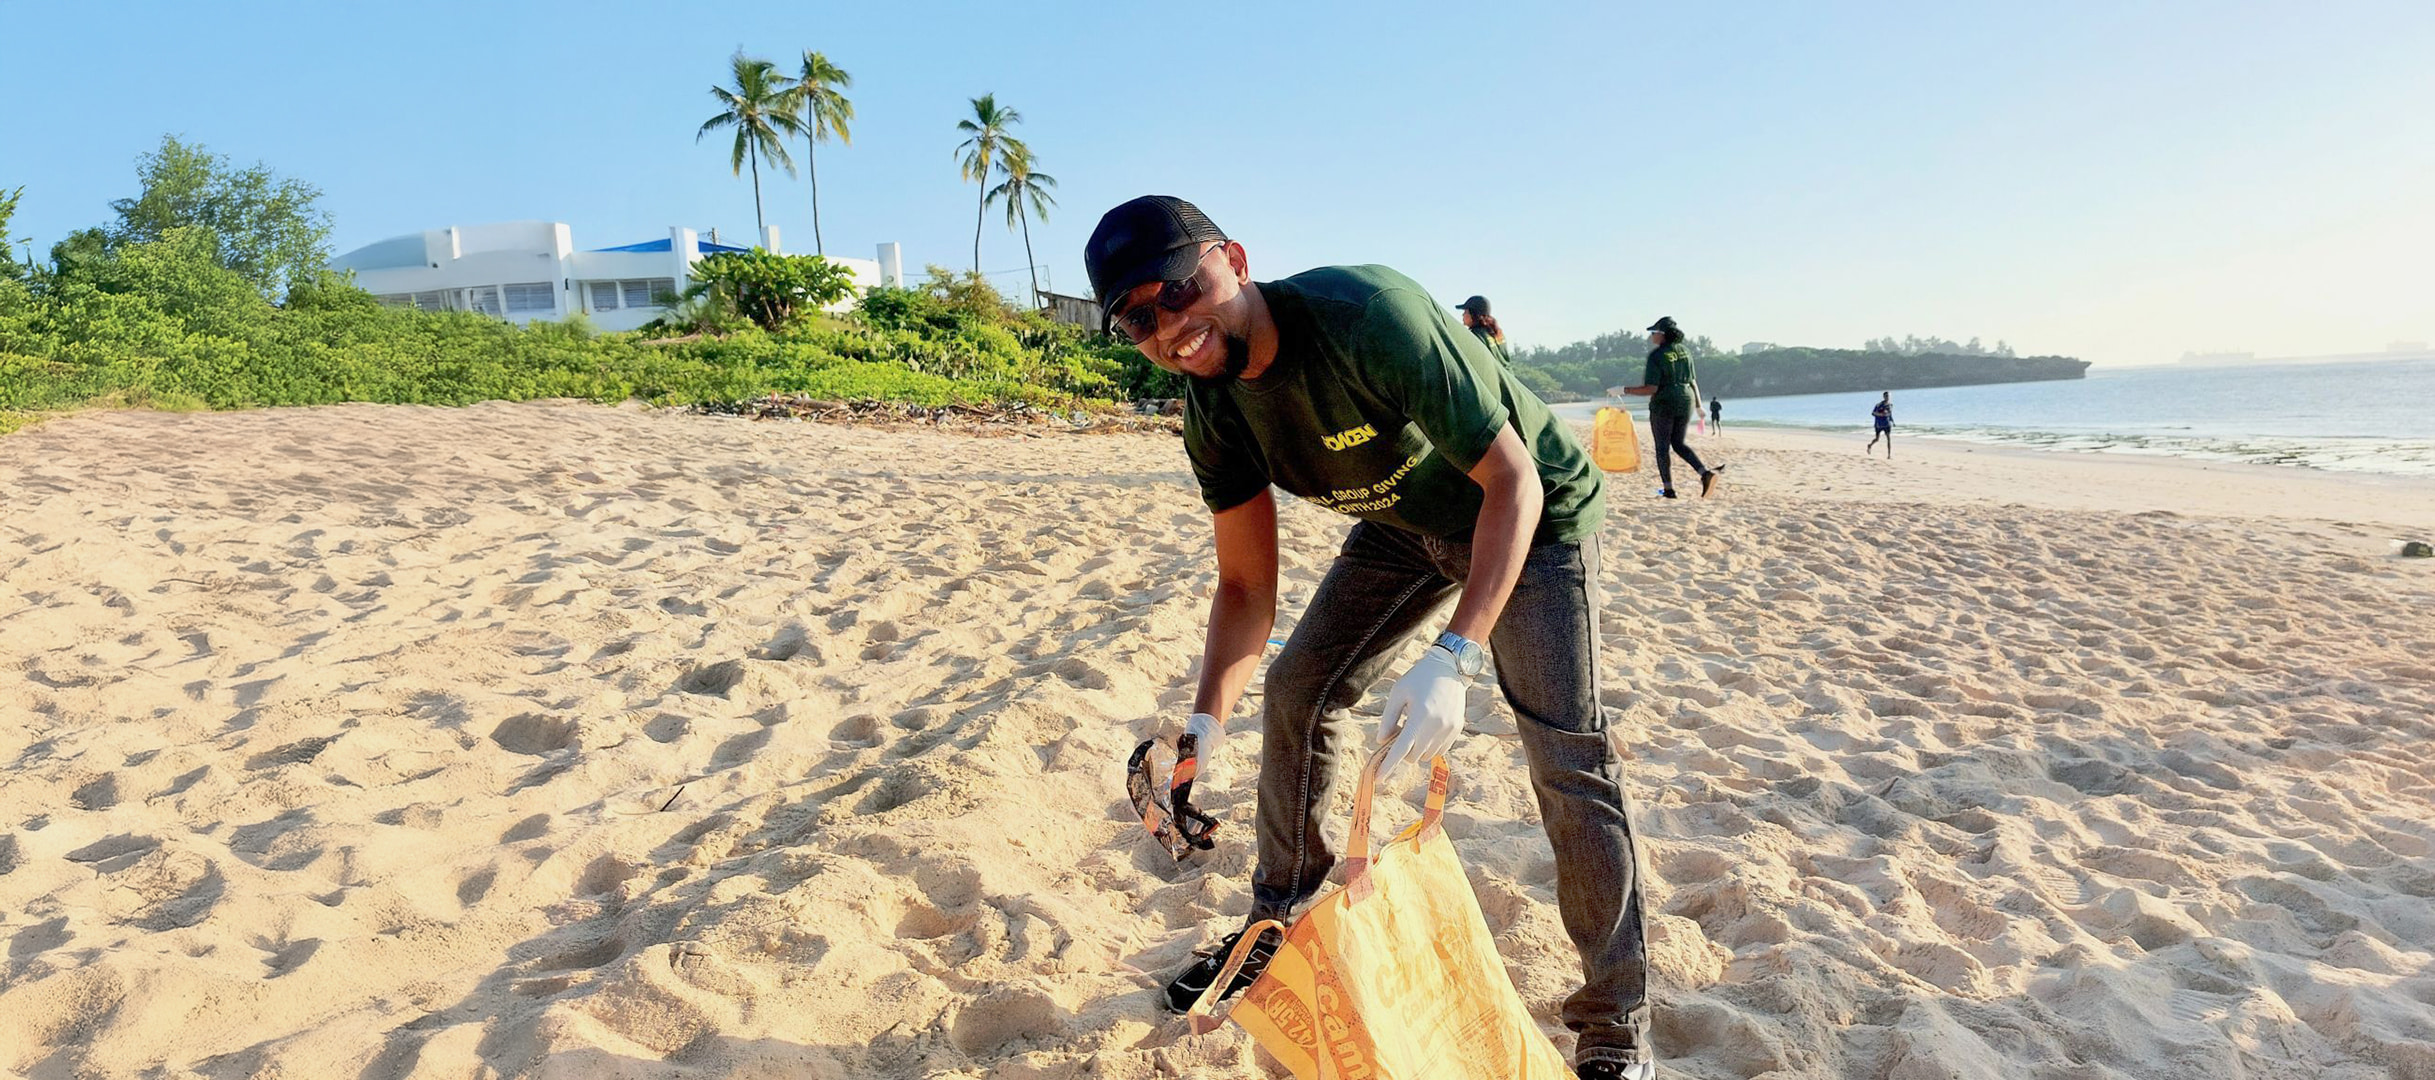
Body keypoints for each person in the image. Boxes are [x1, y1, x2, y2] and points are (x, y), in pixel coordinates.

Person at [1086, 195, 1654, 1080]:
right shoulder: (1213, 408)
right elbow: (1243, 585)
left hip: (1528, 516)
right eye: (1136, 317)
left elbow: (1512, 481)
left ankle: (1615, 1033)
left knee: (1564, 755)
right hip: (1401, 527)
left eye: (1178, 288)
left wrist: (1454, 657)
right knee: (1296, 691)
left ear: (1232, 257)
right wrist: (1204, 723)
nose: (1168, 325)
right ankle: (1279, 926)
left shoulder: (1368, 318)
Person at [1622, 316, 1723, 498]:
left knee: (1662, 448)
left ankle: (1668, 490)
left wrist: (1624, 390)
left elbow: (1651, 388)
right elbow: (1693, 381)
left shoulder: (1657, 356)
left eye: (1654, 332)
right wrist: (1699, 406)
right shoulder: (1685, 352)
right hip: (1686, 402)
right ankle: (1705, 474)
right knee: (1677, 443)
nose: (1651, 336)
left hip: (1664, 404)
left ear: (1662, 335)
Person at [1456, 294, 1516, 371]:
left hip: (1491, 381)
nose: (1463, 314)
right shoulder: (1498, 332)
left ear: (1474, 314)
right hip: (1508, 378)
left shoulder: (1476, 335)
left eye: (1465, 311)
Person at [1867, 391, 1893, 458]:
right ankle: (1870, 445)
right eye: (1886, 396)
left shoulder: (1890, 405)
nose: (1887, 397)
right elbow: (1873, 413)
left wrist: (1891, 420)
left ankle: (1889, 455)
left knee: (1889, 439)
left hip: (1887, 424)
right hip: (1879, 424)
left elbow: (1890, 414)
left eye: (1888, 396)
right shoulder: (1878, 405)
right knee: (1877, 439)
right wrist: (1880, 414)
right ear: (1884, 397)